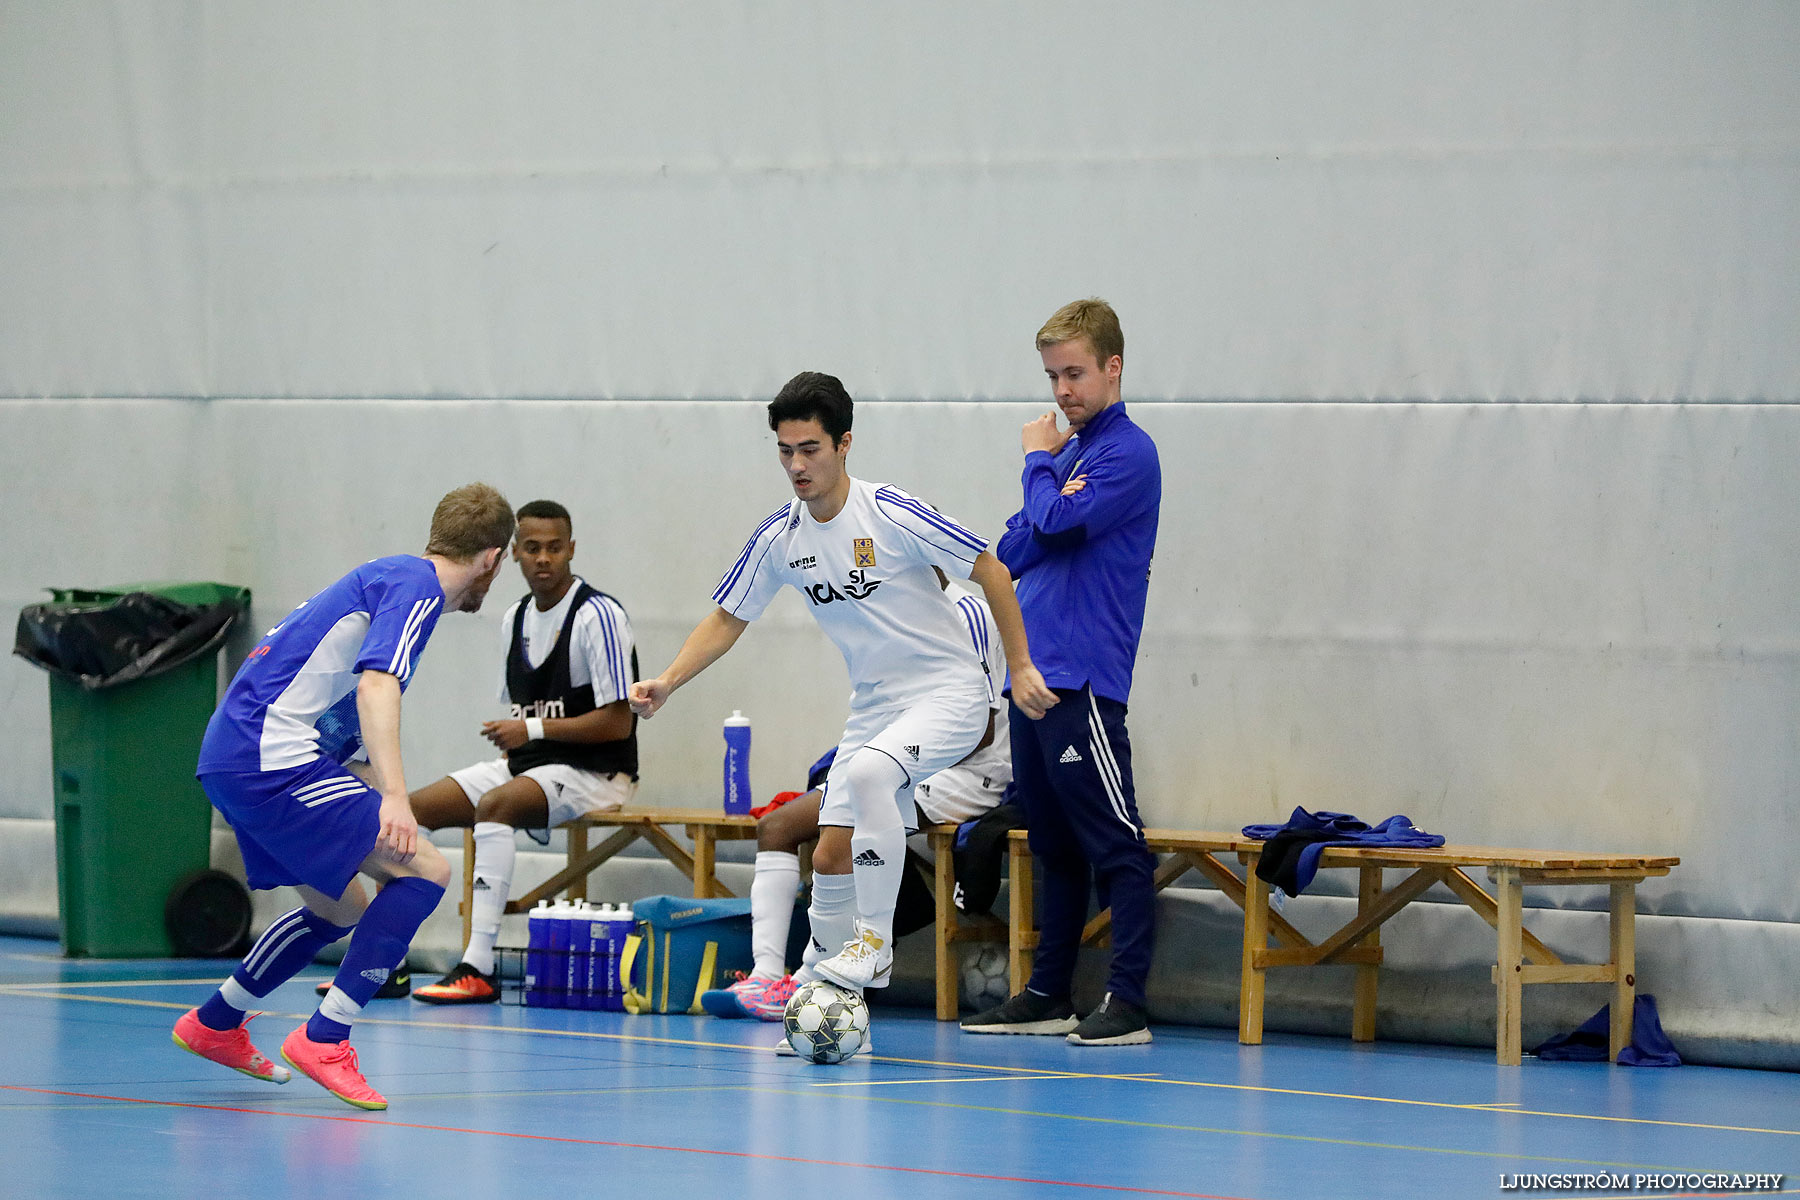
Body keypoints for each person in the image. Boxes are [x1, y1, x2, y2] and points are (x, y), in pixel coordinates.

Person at [629, 371, 1056, 1010]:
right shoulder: (782, 537)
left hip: (950, 694)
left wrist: (1019, 666)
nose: (796, 466)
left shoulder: (888, 511)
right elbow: (727, 618)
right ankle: (818, 991)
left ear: (844, 444)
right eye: (785, 451)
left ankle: (873, 943)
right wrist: (666, 680)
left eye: (810, 450)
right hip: (876, 706)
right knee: (830, 854)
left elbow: (991, 568)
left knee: (872, 776)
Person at [171, 484, 515, 1109]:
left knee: (340, 908)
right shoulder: (419, 590)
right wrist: (393, 796)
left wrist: (357, 775)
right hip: (270, 756)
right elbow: (376, 686)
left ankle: (215, 1023)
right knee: (426, 869)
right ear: (492, 559)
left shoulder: (384, 577)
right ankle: (325, 1037)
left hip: (235, 753)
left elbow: (323, 695)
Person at [960, 297, 1162, 1047]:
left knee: (1115, 841)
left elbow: (1054, 523)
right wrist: (1048, 489)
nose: (1062, 391)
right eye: (1052, 376)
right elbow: (1013, 550)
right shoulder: (1071, 457)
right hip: (1033, 679)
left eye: (1075, 373)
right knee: (1050, 844)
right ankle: (1048, 991)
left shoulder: (1125, 453)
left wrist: (1035, 466)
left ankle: (1130, 1000)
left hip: (1082, 679)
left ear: (1113, 367)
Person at [700, 569, 1013, 1020]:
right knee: (778, 827)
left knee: (838, 846)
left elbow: (980, 732)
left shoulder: (969, 614)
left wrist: (888, 762)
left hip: (967, 774)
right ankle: (767, 978)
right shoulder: (893, 616)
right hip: (902, 762)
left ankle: (840, 980)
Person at [385, 500, 641, 1004]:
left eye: (554, 548)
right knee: (402, 817)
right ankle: (385, 963)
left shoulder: (599, 615)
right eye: (532, 548)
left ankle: (478, 966)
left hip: (597, 774)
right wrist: (524, 736)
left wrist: (532, 729)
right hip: (529, 766)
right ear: (512, 556)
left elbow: (618, 722)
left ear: (571, 549)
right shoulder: (515, 618)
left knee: (496, 807)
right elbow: (529, 728)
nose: (544, 558)